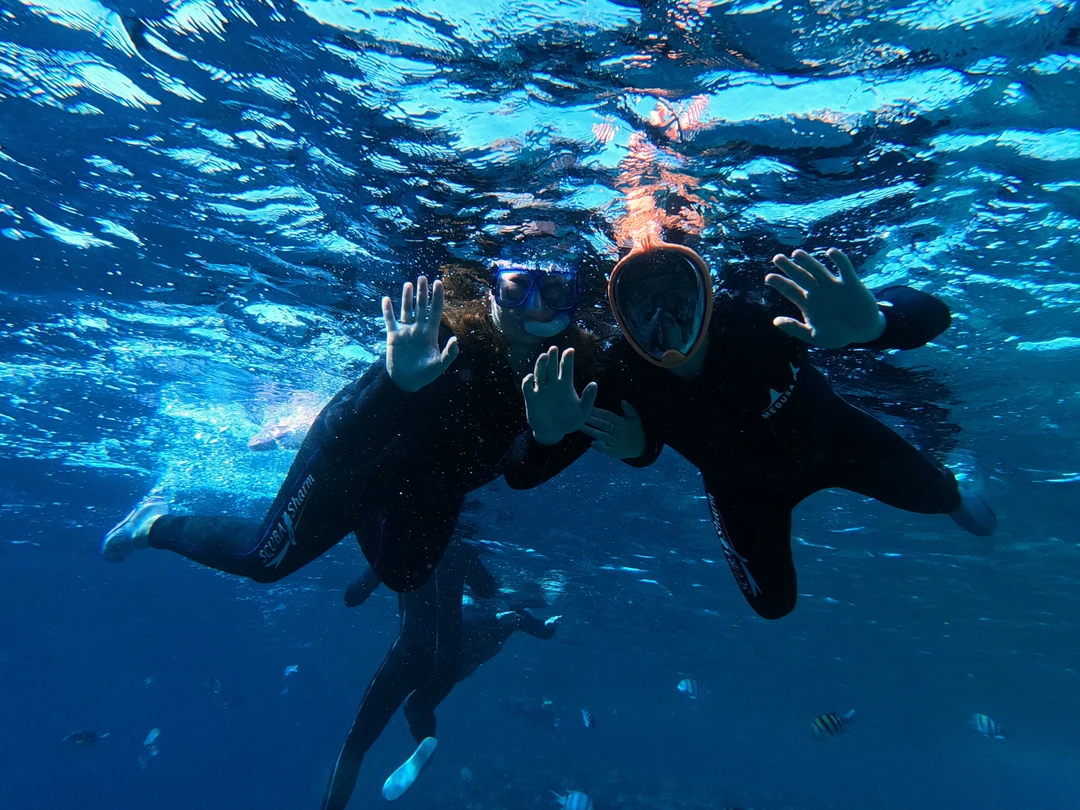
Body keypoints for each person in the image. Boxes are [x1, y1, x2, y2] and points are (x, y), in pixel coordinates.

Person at [99, 238, 630, 592]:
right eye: (519, 285)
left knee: (404, 576)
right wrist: (397, 384)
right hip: (358, 457)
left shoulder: (583, 376)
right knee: (264, 562)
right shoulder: (440, 339)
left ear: (574, 297)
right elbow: (349, 434)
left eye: (554, 289)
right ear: (493, 285)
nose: (536, 306)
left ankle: (340, 498)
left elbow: (519, 475)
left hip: (435, 481)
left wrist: (545, 436)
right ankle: (154, 524)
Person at [507, 241, 997, 620]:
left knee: (945, 497)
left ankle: (958, 490)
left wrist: (876, 324)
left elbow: (934, 313)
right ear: (621, 317)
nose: (666, 329)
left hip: (846, 443)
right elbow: (522, 476)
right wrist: (559, 437)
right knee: (772, 606)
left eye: (679, 305)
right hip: (744, 490)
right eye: (644, 310)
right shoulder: (619, 373)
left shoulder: (759, 318)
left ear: (707, 298)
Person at [325, 537, 558, 808]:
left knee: (357, 742)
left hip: (409, 653)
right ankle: (425, 738)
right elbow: (486, 589)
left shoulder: (398, 544)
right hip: (450, 660)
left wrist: (381, 565)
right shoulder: (460, 547)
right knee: (420, 706)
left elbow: (352, 597)